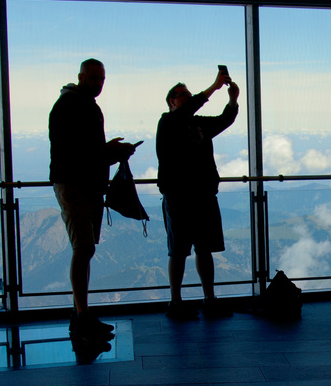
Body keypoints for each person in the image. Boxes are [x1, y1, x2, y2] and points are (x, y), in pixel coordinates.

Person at [49, 59, 137, 339]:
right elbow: (77, 153)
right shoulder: (71, 106)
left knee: (85, 250)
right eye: (94, 78)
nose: (99, 84)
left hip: (84, 185)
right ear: (81, 77)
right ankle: (81, 315)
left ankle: (82, 313)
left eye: (102, 79)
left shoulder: (78, 104)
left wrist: (109, 152)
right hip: (75, 185)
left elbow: (83, 151)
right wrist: (109, 151)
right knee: (83, 249)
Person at [157, 68, 239, 318]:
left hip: (202, 195)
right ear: (172, 101)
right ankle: (176, 301)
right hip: (179, 196)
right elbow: (187, 113)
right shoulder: (168, 122)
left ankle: (208, 299)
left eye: (188, 94)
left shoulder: (197, 123)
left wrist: (233, 100)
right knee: (179, 250)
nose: (188, 98)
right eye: (182, 95)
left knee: (203, 248)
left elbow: (224, 120)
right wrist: (214, 87)